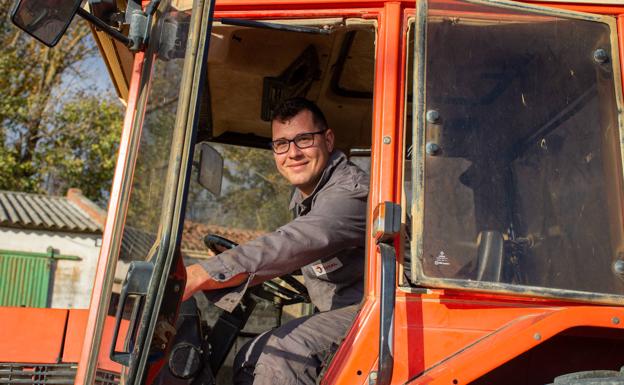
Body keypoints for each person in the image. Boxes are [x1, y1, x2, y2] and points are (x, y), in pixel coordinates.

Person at [183, 97, 369, 385]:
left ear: (328, 140)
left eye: (304, 139)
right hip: (352, 312)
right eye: (281, 144)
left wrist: (199, 274)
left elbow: (295, 241)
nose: (292, 153)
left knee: (282, 355)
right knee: (250, 356)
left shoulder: (349, 193)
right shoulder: (307, 199)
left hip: (380, 314)